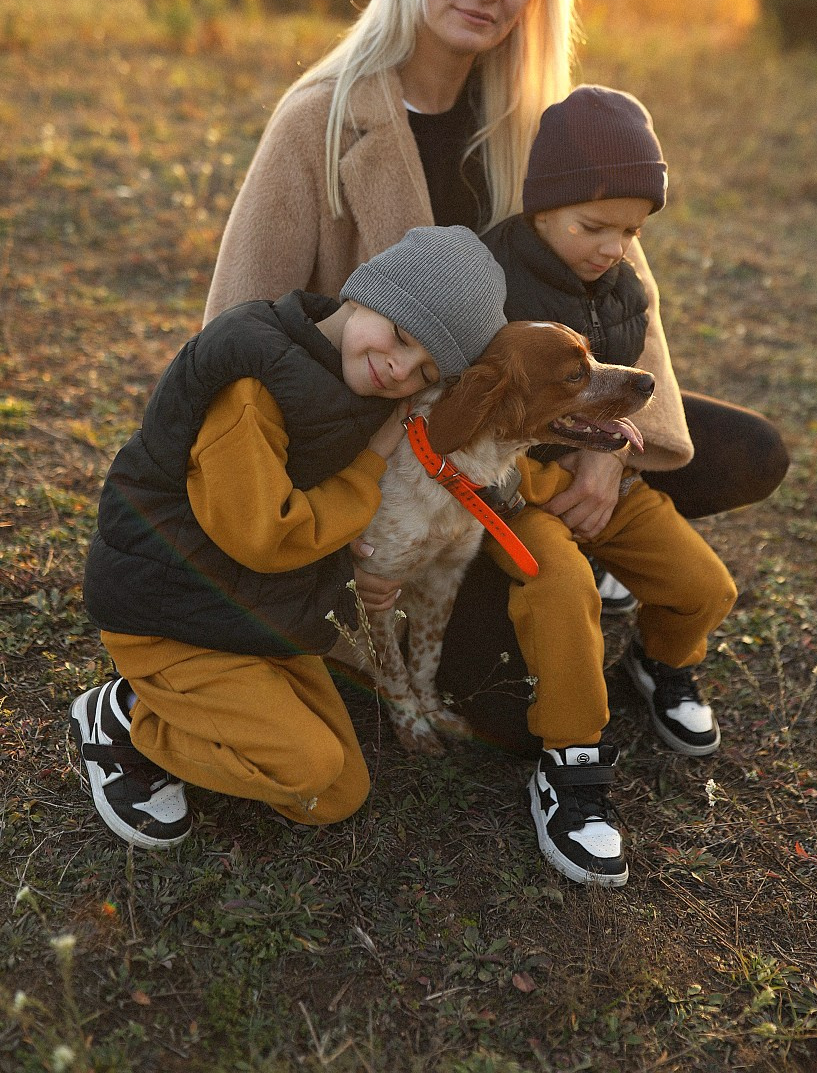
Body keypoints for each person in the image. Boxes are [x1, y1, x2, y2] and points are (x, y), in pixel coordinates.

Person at [200, 0, 788, 830]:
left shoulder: (530, 124)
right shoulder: (322, 119)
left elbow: (620, 286)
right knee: (516, 721)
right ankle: (478, 586)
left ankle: (574, 547)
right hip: (392, 461)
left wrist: (613, 454)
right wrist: (316, 515)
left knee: (748, 453)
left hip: (530, 430)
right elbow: (236, 326)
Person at [69, 226, 508, 850]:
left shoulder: (349, 382)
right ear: (365, 294)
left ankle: (196, 711)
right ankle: (126, 718)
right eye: (402, 337)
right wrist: (367, 473)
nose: (399, 369)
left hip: (253, 614)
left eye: (425, 371)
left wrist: (366, 565)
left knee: (334, 794)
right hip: (170, 613)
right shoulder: (253, 379)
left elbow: (321, 523)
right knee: (304, 767)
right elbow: (266, 537)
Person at [476, 86, 738, 886]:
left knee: (703, 585)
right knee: (561, 596)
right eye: (593, 227)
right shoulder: (488, 273)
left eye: (629, 230)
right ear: (542, 209)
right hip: (517, 489)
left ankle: (661, 659)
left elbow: (633, 390)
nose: (612, 247)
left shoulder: (625, 287)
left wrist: (611, 461)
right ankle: (570, 760)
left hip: (604, 470)